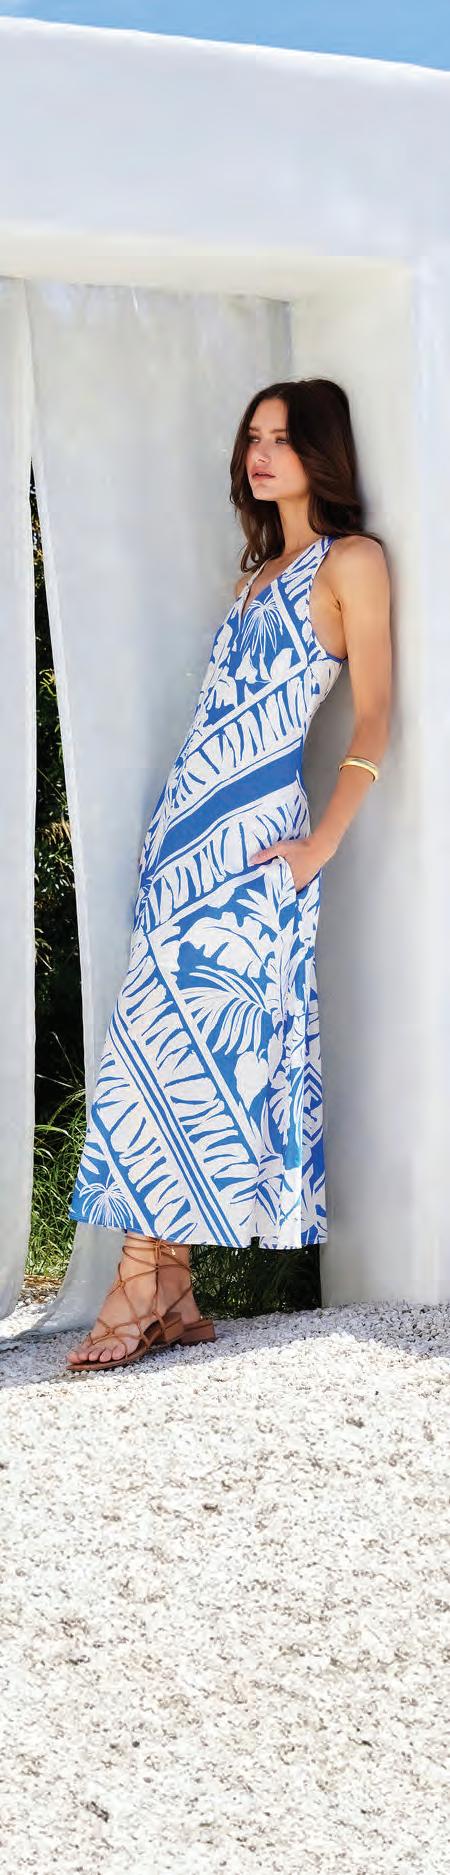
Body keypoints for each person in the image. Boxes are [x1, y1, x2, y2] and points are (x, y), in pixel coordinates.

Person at [66, 376, 391, 1374]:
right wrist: (167, 836)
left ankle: (137, 1283)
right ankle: (172, 1291)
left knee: (194, 1048)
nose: (262, 454)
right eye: (255, 437)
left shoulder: (351, 562)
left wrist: (319, 847)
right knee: (156, 1045)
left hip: (257, 848)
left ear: (321, 452)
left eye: (283, 439)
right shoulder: (256, 574)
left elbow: (376, 715)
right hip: (184, 842)